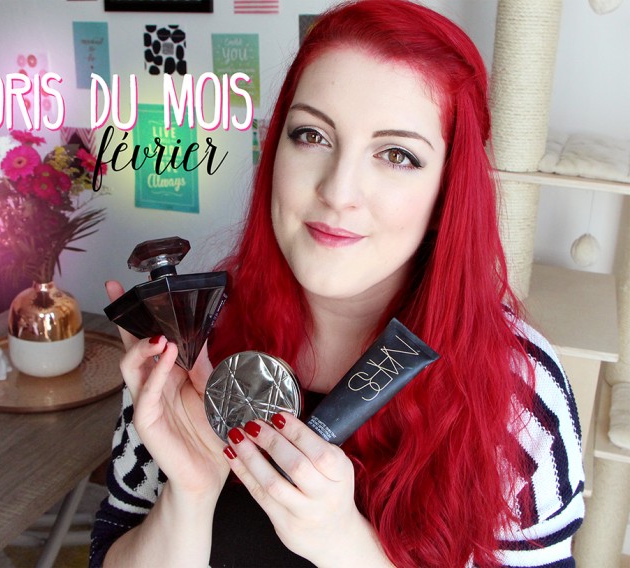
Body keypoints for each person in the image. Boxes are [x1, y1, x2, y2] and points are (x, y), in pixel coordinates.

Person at [90, 1, 585, 566]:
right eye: (312, 135)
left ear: (448, 191)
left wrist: (348, 548)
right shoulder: (192, 339)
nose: (338, 191)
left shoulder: (519, 390)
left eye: (397, 155)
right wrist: (189, 495)